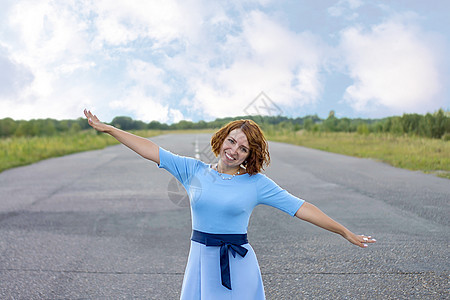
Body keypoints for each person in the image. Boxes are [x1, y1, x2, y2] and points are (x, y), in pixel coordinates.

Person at [83, 109, 376, 299]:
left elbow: (301, 208)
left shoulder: (257, 183)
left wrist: (344, 232)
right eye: (232, 141)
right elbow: (150, 148)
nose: (234, 150)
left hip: (238, 265)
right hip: (201, 261)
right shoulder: (193, 171)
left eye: (243, 148)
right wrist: (110, 130)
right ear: (223, 138)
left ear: (250, 155)